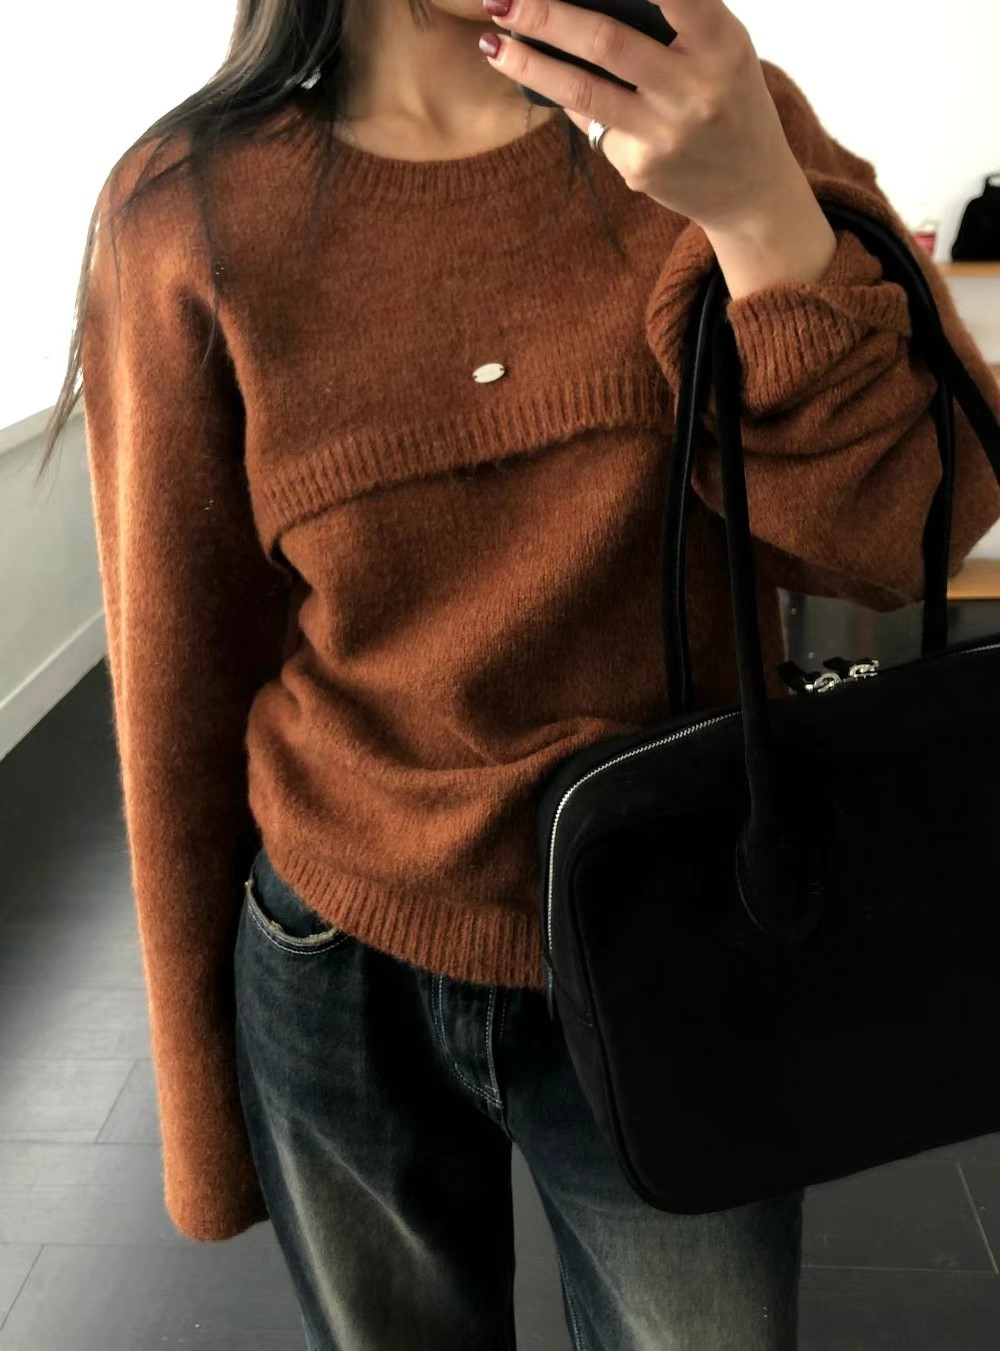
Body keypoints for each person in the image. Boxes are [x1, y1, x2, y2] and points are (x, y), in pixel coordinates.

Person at [40, 0, 1000, 1346]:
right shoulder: (184, 211)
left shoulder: (714, 118)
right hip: (336, 948)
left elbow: (910, 538)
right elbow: (175, 692)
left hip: (679, 932)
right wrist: (205, 1122)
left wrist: (759, 216)